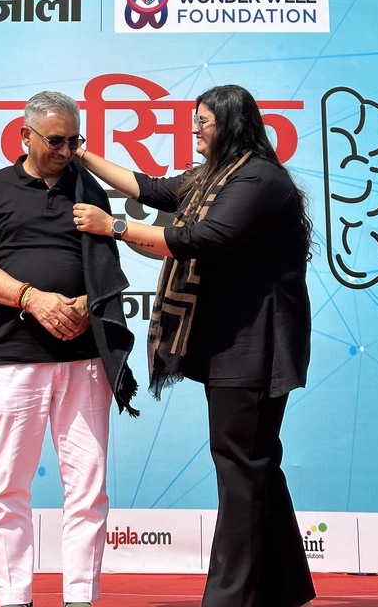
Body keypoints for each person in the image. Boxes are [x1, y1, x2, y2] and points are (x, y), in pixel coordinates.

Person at [72, 84, 315, 607]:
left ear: (230, 124)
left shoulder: (258, 179)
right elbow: (151, 189)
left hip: (256, 347)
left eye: (203, 121)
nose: (195, 129)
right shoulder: (216, 175)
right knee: (253, 464)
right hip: (232, 344)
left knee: (240, 465)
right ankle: (284, 586)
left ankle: (230, 598)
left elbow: (200, 239)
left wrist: (114, 226)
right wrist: (83, 154)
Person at [0, 91, 138, 607]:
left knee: (88, 488)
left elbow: (106, 267)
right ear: (26, 135)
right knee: (9, 488)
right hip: (12, 357)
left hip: (85, 361)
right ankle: (14, 597)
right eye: (55, 140)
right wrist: (32, 299)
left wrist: (86, 303)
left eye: (74, 141)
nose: (65, 150)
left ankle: (80, 597)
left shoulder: (89, 189)